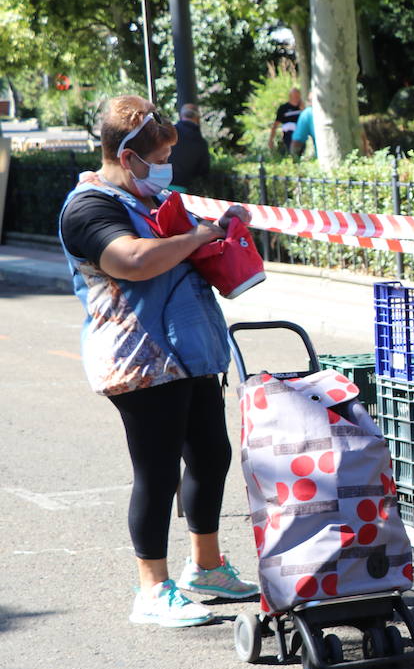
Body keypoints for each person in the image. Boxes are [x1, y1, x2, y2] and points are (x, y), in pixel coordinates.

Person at [57, 95, 259, 628]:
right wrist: (197, 236)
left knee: (212, 455)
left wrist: (224, 228)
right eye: (161, 154)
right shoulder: (88, 207)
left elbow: (191, 241)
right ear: (128, 157)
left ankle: (207, 567)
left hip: (189, 352)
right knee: (157, 470)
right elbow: (132, 261)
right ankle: (151, 589)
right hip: (139, 359)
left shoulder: (154, 198)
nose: (168, 164)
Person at [167, 103, 210, 192]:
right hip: (182, 188)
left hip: (159, 184)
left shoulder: (168, 132)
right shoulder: (201, 142)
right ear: (198, 118)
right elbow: (203, 170)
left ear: (181, 115)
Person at [269, 87, 302, 154]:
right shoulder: (283, 108)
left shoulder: (302, 107)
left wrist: (303, 108)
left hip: (301, 135)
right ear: (290, 96)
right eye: (295, 96)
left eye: (298, 96)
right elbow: (276, 124)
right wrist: (271, 139)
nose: (297, 98)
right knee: (292, 153)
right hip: (289, 136)